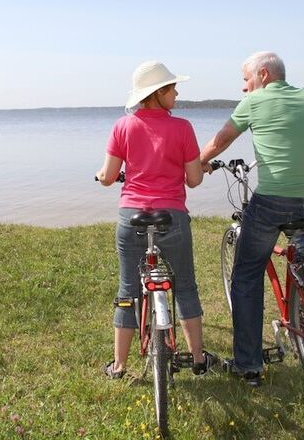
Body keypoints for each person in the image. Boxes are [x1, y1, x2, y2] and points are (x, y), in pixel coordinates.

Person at [200, 51, 304, 386]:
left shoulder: (254, 103)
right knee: (299, 260)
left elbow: (219, 142)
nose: (245, 87)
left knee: (245, 276)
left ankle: (248, 364)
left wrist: (198, 162)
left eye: (246, 80)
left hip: (275, 202)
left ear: (262, 74)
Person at [96, 60, 211, 378]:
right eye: (172, 88)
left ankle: (119, 366)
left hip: (131, 217)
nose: (176, 93)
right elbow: (194, 180)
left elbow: (107, 176)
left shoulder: (123, 126)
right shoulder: (183, 128)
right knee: (185, 286)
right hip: (172, 217)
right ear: (158, 92)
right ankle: (198, 358)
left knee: (127, 289)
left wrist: (105, 176)